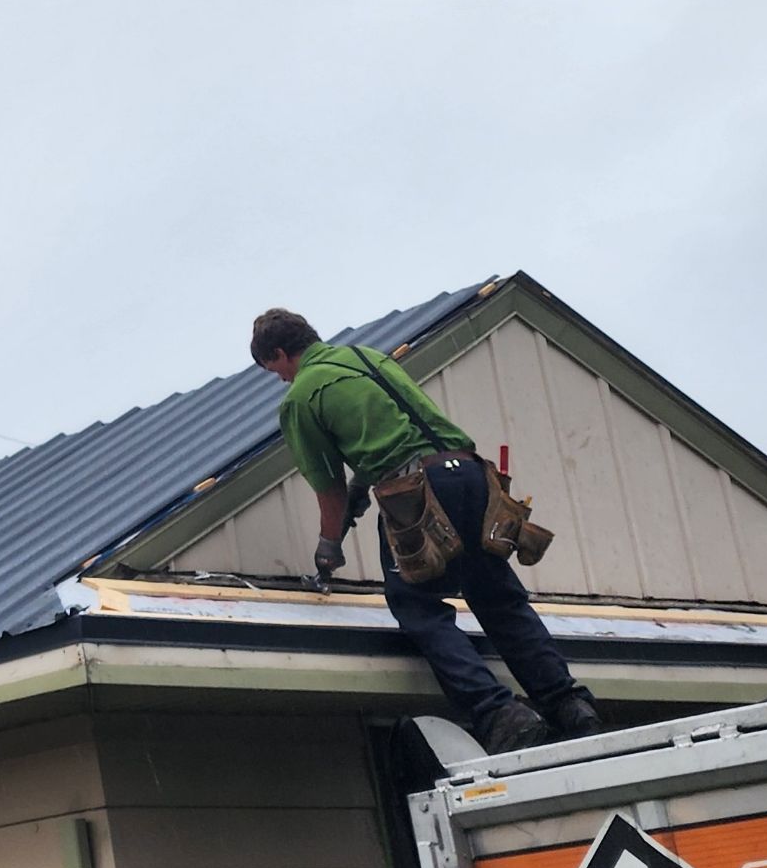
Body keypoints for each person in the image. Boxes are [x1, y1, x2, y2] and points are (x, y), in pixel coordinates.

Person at [251, 307, 602, 752]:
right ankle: (569, 704)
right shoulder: (368, 359)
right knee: (497, 598)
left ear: (280, 353)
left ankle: (499, 713)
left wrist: (329, 546)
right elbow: (409, 432)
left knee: (416, 604)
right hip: (472, 476)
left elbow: (329, 489)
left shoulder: (301, 397)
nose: (279, 379)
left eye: (273, 369)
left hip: (416, 494)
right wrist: (369, 483)